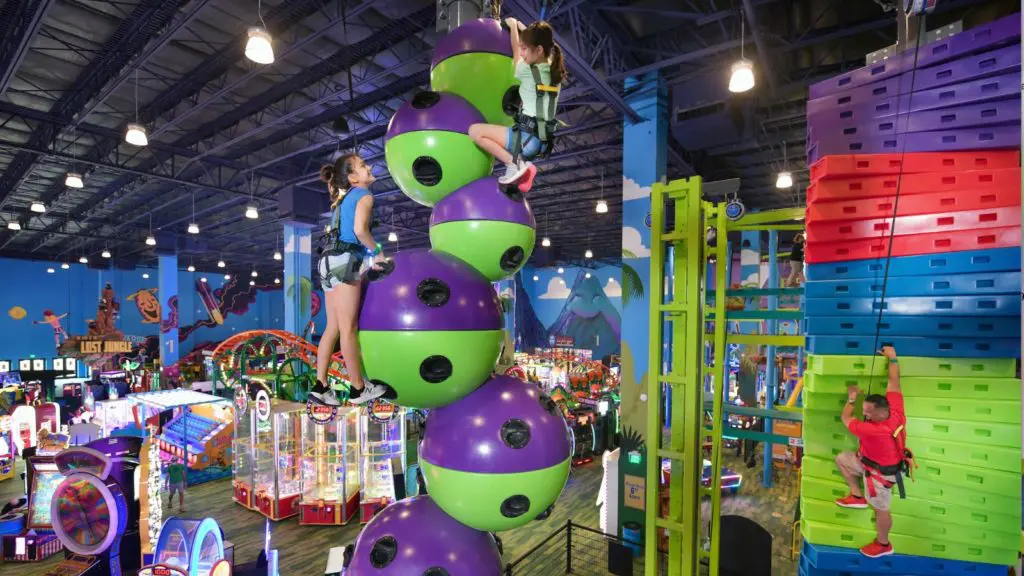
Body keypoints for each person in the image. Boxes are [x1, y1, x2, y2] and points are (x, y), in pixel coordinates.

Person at [308, 154, 388, 407]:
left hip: (326, 263)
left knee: (332, 328)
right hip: (345, 260)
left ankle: (320, 385)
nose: (369, 167)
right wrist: (378, 253)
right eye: (363, 166)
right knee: (348, 329)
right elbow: (360, 231)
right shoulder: (364, 195)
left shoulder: (342, 200)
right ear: (353, 177)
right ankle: (358, 388)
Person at [468, 18, 566, 190]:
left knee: (475, 132)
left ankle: (514, 164)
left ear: (539, 49)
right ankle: (524, 166)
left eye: (525, 49)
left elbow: (515, 52)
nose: (522, 53)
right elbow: (538, 45)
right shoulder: (554, 73)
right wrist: (523, 28)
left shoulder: (527, 71)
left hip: (525, 141)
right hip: (541, 142)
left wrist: (514, 26)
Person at [834, 346, 908, 558]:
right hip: (871, 462)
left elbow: (846, 419)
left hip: (882, 475)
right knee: (842, 459)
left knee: (881, 510)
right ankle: (857, 495)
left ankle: (884, 544)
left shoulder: (872, 430)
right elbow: (894, 382)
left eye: (867, 412)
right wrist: (893, 357)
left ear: (878, 412)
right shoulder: (895, 410)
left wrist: (851, 398)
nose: (864, 414)